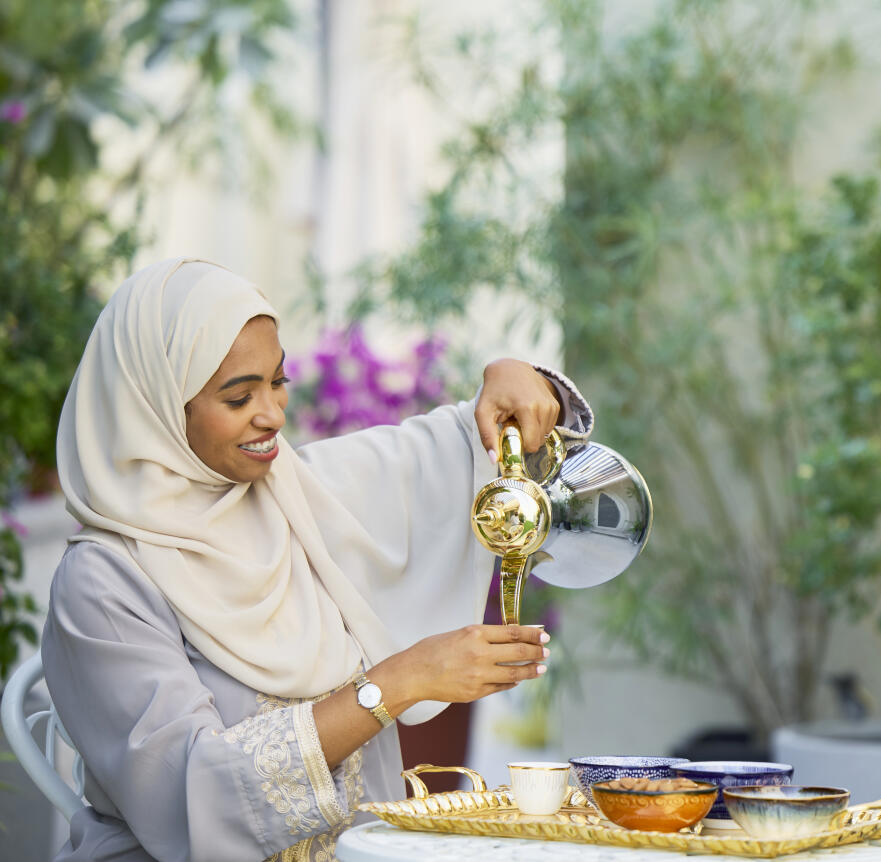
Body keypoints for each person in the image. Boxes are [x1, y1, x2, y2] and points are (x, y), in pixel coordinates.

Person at [41, 257, 595, 861]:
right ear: (153, 406)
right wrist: (400, 681)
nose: (273, 415)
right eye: (238, 396)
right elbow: (187, 793)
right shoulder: (103, 582)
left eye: (277, 383)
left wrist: (515, 381)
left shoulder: (300, 494)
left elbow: (461, 445)